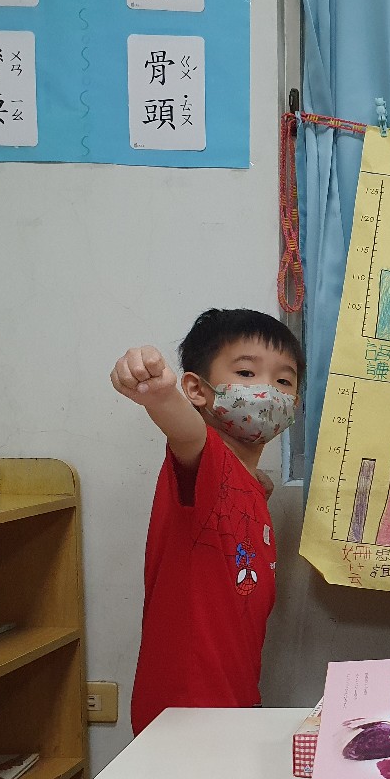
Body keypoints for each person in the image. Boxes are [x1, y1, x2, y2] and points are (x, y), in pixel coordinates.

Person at [110, 308, 304, 735]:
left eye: (284, 381)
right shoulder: (206, 460)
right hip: (185, 713)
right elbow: (185, 431)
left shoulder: (250, 487)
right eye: (247, 373)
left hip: (234, 703)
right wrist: (159, 392)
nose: (267, 390)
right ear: (198, 389)